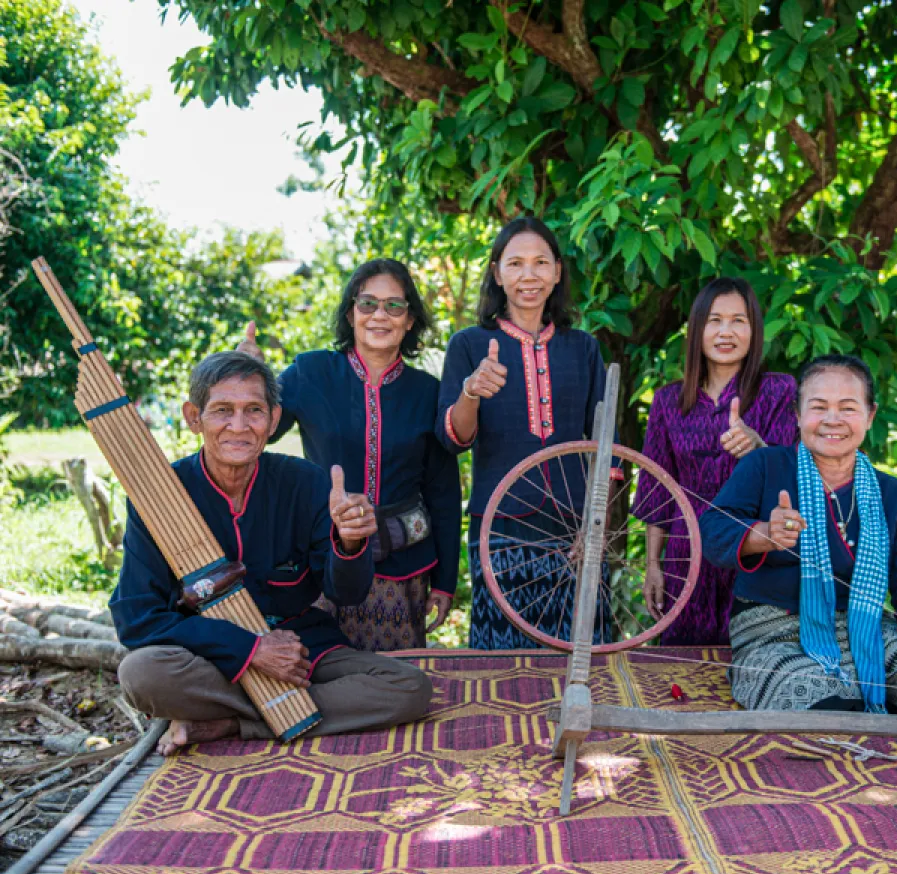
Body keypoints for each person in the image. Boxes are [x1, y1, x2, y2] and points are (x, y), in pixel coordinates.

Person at [112, 352, 433, 756]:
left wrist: (351, 544)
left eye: (254, 411)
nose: (239, 426)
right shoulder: (161, 496)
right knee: (141, 673)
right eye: (222, 411)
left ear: (274, 419)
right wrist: (250, 650)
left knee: (410, 689)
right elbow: (136, 619)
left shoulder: (305, 482)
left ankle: (230, 722)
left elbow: (346, 593)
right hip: (213, 659)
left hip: (301, 653)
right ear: (194, 417)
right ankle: (289, 711)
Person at [700, 354, 897, 716]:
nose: (832, 420)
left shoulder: (892, 494)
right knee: (829, 706)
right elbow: (713, 530)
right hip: (771, 635)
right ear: (797, 415)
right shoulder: (765, 466)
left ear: (870, 416)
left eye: (847, 408)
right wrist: (764, 534)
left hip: (866, 630)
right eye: (818, 407)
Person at [236, 259, 461, 651]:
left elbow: (443, 492)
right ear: (350, 312)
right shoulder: (311, 372)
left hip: (402, 571)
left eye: (395, 305)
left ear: (409, 320)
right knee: (324, 679)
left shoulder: (428, 392)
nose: (380, 315)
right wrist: (251, 376)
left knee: (396, 688)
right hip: (324, 563)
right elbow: (263, 430)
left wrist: (445, 581)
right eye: (368, 303)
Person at [436, 217, 613, 650]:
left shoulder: (584, 347)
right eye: (515, 264)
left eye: (540, 263)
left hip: (576, 533)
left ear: (556, 271)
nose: (528, 275)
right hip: (500, 531)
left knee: (583, 658)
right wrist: (471, 391)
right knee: (505, 664)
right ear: (497, 273)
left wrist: (594, 527)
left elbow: (604, 449)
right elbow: (453, 439)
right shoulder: (469, 345)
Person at [632, 277, 797, 645]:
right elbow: (656, 492)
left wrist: (759, 449)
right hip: (684, 554)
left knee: (752, 662)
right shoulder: (668, 401)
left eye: (739, 320)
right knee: (680, 671)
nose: (726, 332)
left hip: (752, 549)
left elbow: (791, 477)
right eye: (714, 320)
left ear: (754, 330)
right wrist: (653, 566)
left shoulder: (779, 390)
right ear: (696, 330)